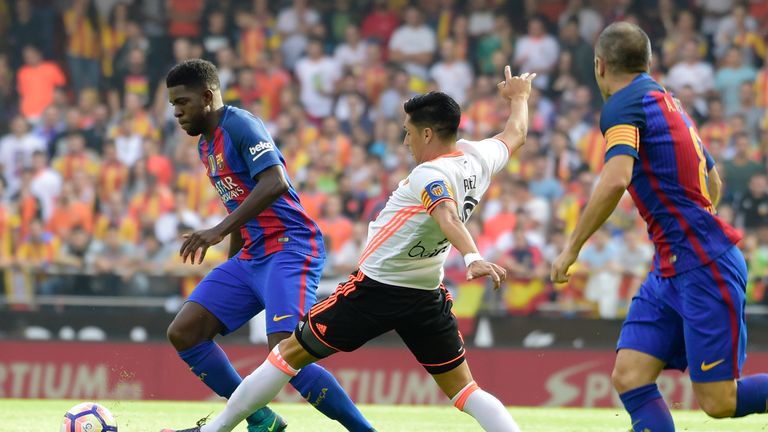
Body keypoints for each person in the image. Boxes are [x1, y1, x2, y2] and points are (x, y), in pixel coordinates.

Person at [163, 66, 535, 432]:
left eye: (407, 134)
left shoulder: (429, 175)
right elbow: (515, 134)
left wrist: (473, 257)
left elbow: (448, 216)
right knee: (466, 391)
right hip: (424, 293)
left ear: (426, 133)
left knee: (285, 355)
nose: (405, 143)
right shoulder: (477, 158)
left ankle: (220, 430)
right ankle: (254, 421)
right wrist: (519, 98)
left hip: (372, 287)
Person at [551, 22, 768, 432]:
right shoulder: (668, 101)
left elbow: (616, 178)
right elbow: (713, 183)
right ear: (645, 62)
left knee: (719, 401)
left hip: (703, 265)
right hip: (673, 265)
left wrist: (572, 248)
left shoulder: (621, 104)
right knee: (630, 374)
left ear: (599, 66)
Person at [162, 59, 373, 432]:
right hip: (251, 256)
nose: (176, 112)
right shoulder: (205, 146)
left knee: (288, 355)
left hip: (290, 248)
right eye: (172, 105)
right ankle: (261, 420)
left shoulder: (240, 125)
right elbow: (239, 206)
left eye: (182, 102)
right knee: (185, 331)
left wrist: (215, 231)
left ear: (207, 97)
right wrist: (230, 263)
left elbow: (274, 181)